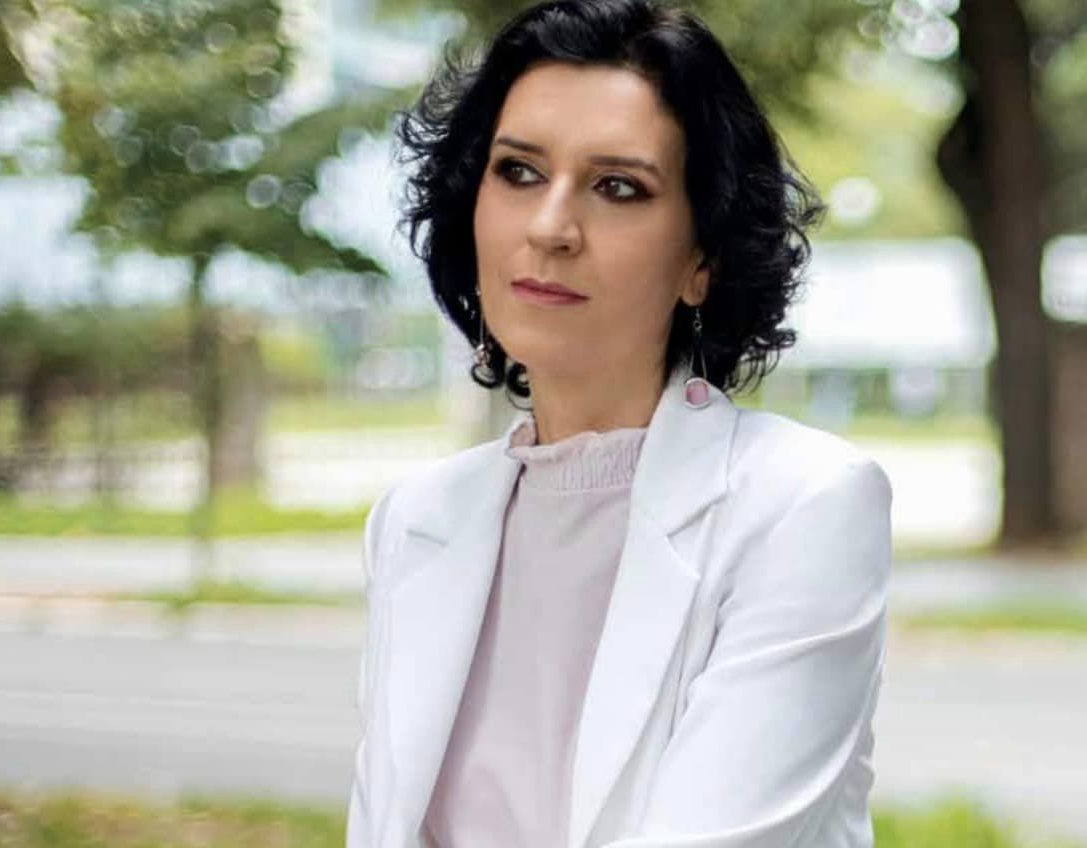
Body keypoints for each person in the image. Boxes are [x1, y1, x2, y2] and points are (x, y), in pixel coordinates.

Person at [346, 1, 893, 846]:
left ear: (702, 259)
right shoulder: (416, 519)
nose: (549, 227)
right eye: (518, 171)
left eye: (617, 187)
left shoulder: (802, 505)